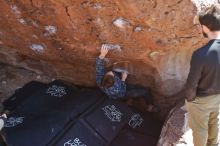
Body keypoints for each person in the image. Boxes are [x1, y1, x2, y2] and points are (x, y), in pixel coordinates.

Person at [173, 5, 220, 146]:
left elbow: (191, 84)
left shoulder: (201, 54)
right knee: (214, 121)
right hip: (218, 97)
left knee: (200, 128)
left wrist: (190, 100)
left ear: (205, 27)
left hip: (202, 100)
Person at [96, 44, 159, 112]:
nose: (111, 72)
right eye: (113, 74)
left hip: (113, 93)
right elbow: (122, 90)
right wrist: (123, 79)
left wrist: (102, 54)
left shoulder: (99, 79)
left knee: (116, 71)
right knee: (145, 91)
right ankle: (150, 105)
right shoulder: (117, 88)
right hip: (123, 93)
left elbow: (99, 66)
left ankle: (128, 101)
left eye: (108, 73)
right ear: (115, 81)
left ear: (103, 77)